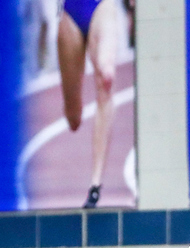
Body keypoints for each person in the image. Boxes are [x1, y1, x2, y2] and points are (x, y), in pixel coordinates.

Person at [57, 0, 133, 208]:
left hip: (103, 7)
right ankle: (72, 106)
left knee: (106, 78)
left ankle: (95, 184)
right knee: (73, 117)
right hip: (70, 12)